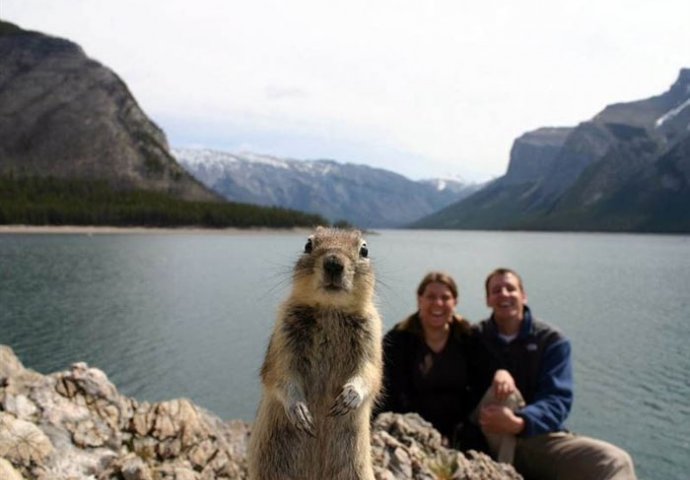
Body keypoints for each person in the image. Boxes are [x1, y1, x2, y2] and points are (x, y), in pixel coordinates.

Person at [469, 267, 637, 480]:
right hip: (489, 433)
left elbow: (558, 400)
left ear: (523, 295)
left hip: (537, 437)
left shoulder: (551, 341)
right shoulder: (474, 337)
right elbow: (435, 331)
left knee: (615, 461)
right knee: (503, 394)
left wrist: (519, 422)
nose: (504, 294)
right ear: (488, 300)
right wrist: (500, 374)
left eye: (510, 288)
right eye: (496, 290)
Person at [376, 271, 474, 443]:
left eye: (445, 297)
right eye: (431, 297)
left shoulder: (467, 338)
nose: (438, 303)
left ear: (455, 302)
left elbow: (482, 382)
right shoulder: (398, 340)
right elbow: (387, 392)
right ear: (419, 299)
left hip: (459, 431)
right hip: (410, 430)